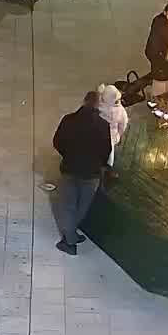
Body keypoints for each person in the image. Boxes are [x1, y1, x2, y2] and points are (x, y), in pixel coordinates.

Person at [50, 91, 112, 255]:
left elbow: (57, 142)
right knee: (82, 206)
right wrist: (99, 164)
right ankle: (71, 235)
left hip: (70, 169)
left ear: (84, 101)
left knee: (69, 206)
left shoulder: (69, 120)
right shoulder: (103, 125)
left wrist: (67, 155)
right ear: (98, 105)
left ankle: (69, 241)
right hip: (91, 174)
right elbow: (106, 150)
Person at [144, 0, 168, 98]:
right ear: (165, 13)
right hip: (161, 67)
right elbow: (151, 49)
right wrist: (160, 65)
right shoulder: (159, 26)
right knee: (159, 94)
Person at [95, 83, 129, 164]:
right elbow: (123, 124)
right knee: (110, 154)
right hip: (111, 137)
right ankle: (108, 168)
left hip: (97, 135)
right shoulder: (120, 111)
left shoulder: (98, 107)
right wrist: (119, 135)